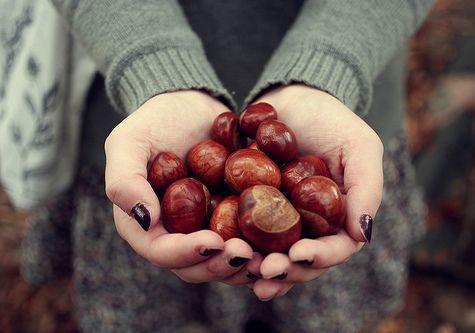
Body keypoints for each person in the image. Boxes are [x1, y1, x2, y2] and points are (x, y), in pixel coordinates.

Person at [3, 0, 434, 332]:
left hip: (347, 106)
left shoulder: (298, 168)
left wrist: (331, 65)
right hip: (131, 106)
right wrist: (151, 66)